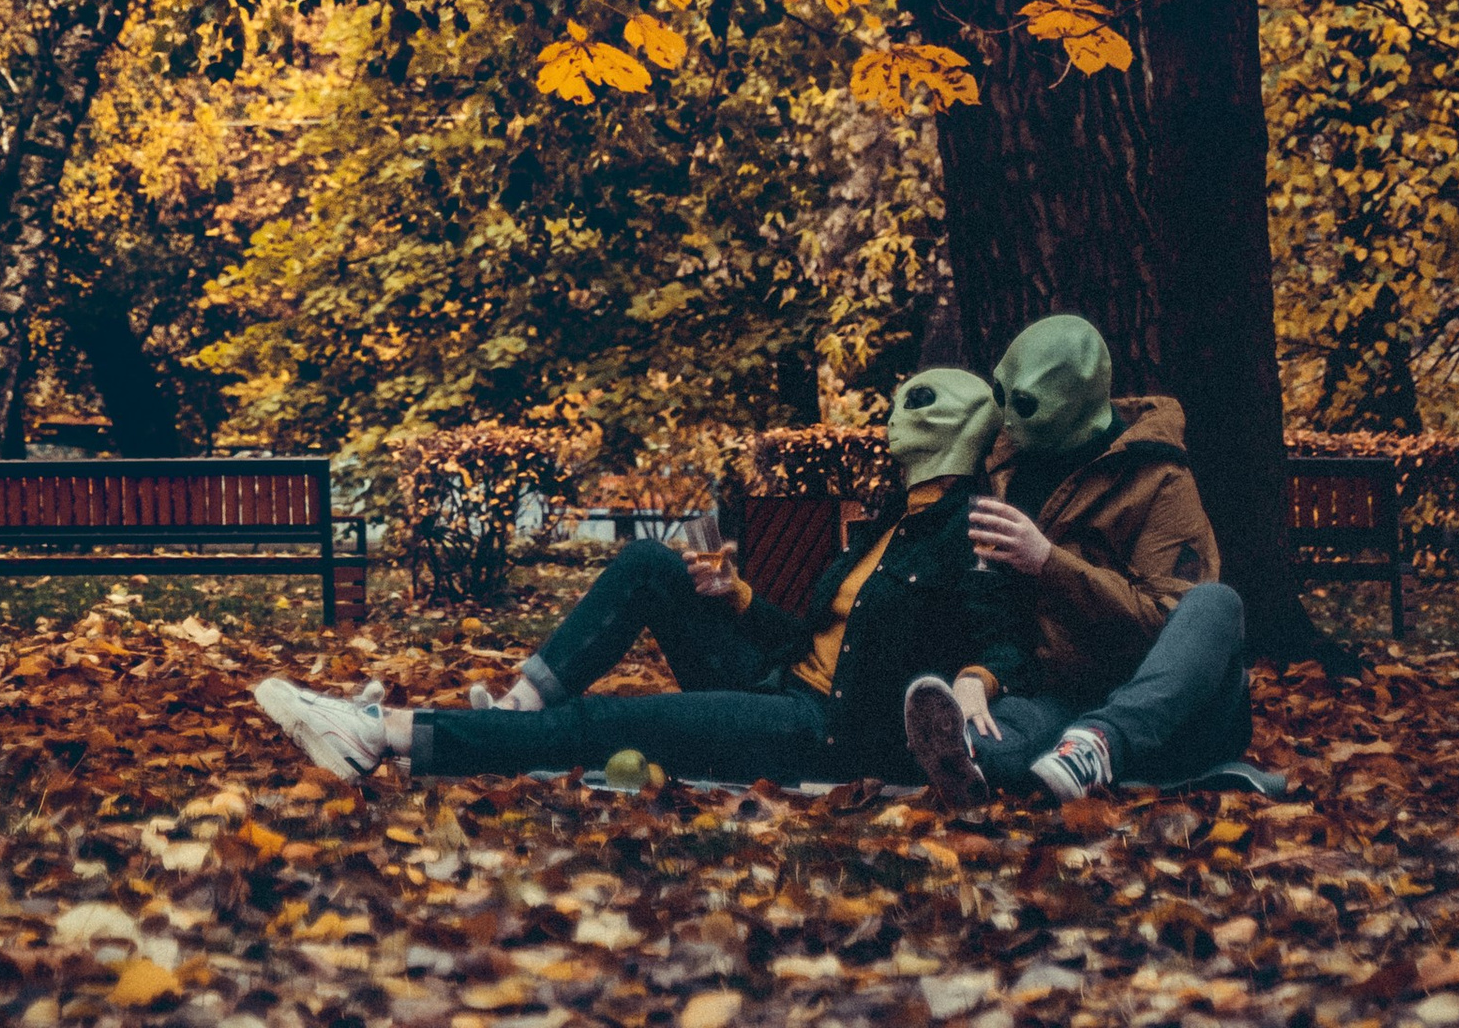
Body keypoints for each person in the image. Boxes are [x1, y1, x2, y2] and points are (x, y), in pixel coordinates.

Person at [254, 366, 1028, 788]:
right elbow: (813, 639)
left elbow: (1006, 635)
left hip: (823, 735)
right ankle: (518, 707)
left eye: (917, 404)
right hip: (778, 684)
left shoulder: (972, 525)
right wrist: (742, 598)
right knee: (651, 564)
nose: (894, 417)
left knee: (613, 724)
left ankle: (379, 736)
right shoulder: (885, 519)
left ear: (963, 425)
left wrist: (973, 683)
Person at [900, 312, 1251, 808]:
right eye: (1001, 396)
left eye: (1024, 405)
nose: (1007, 417)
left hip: (1167, 710)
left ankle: (1102, 742)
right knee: (986, 739)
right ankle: (974, 760)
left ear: (1076, 408)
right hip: (1059, 697)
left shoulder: (1160, 479)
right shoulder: (1003, 461)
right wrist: (977, 678)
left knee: (1215, 604)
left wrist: (1048, 561)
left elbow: (1169, 623)